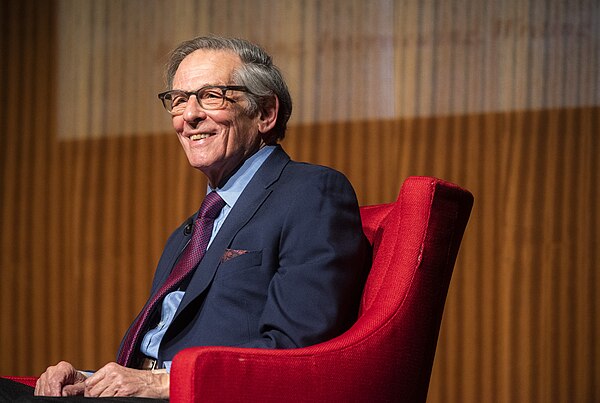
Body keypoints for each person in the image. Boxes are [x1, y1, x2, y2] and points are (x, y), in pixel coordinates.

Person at [0, 35, 369, 401]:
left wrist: (165, 383)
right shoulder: (189, 232)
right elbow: (155, 362)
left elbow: (296, 352)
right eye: (178, 101)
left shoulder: (311, 192)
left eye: (211, 95)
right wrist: (89, 380)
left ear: (265, 113)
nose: (189, 116)